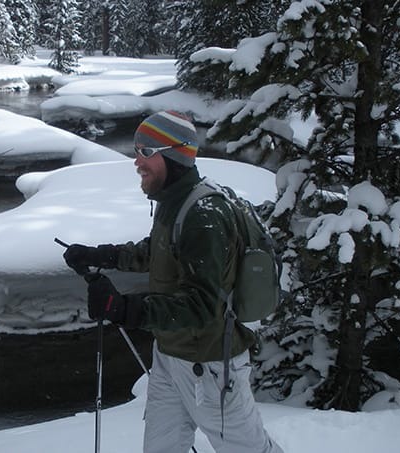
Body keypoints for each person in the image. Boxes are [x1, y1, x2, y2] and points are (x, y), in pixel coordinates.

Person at [63, 110, 283, 453]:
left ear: (175, 154)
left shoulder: (204, 216)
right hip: (169, 357)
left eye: (147, 152)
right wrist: (98, 255)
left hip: (209, 368)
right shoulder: (174, 201)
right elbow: (158, 252)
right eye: (137, 150)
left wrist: (125, 309)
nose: (137, 162)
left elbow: (202, 307)